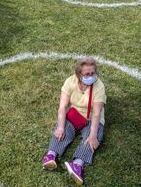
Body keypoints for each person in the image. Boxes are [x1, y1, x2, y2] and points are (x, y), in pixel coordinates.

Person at [42, 57, 106, 186]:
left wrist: (93, 135)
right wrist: (60, 126)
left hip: (91, 119)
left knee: (91, 138)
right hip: (74, 115)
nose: (91, 76)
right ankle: (51, 155)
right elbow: (63, 107)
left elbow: (97, 113)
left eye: (93, 73)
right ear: (78, 74)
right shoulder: (70, 82)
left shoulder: (99, 86)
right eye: (87, 74)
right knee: (62, 130)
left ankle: (77, 165)